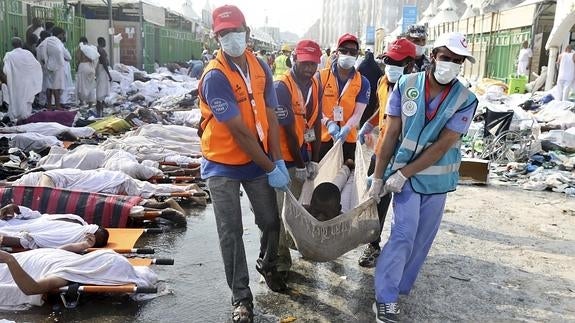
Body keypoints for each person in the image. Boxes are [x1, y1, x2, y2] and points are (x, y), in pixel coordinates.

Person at [368, 32, 478, 322]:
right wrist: (378, 177)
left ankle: (399, 287)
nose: (450, 65)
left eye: (457, 61)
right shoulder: (406, 85)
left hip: (435, 180)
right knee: (403, 233)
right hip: (405, 180)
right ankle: (385, 298)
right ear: (432, 57)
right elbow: (390, 133)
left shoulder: (466, 99)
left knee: (421, 240)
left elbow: (444, 144)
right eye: (446, 58)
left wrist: (404, 173)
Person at [197, 5, 290, 322]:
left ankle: (267, 261)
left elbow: (273, 118)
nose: (231, 38)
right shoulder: (215, 76)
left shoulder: (261, 66)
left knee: (270, 221)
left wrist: (278, 159)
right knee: (231, 231)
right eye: (224, 34)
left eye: (236, 31)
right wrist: (269, 167)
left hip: (259, 159)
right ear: (217, 37)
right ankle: (241, 298)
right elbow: (238, 132)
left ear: (247, 32)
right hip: (223, 163)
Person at [357, 38, 416, 268]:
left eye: (398, 62)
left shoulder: (417, 90)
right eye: (388, 60)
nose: (391, 66)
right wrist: (369, 124)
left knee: (405, 208)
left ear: (410, 65)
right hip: (382, 149)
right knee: (376, 196)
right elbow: (381, 111)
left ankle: (403, 253)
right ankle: (373, 244)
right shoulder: (383, 82)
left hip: (407, 155)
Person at [273, 39, 322, 278]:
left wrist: (315, 159)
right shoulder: (282, 86)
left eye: (313, 63)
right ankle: (281, 262)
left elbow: (316, 123)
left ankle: (293, 244)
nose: (309, 68)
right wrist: (301, 164)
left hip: (302, 155)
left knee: (295, 209)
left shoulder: (314, 84)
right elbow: (288, 131)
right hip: (283, 159)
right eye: (305, 63)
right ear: (294, 59)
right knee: (280, 213)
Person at [0, 248, 157, 308]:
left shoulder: (66, 274)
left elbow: (30, 289)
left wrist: (9, 259)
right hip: (31, 256)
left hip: (12, 263)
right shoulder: (74, 260)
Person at [317, 33, 371, 161]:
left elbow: (358, 113)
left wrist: (347, 127)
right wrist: (328, 122)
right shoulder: (321, 77)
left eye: (352, 52)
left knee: (346, 176)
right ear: (336, 52)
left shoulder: (363, 82)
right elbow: (314, 108)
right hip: (323, 137)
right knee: (321, 177)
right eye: (344, 50)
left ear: (357, 55)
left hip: (348, 138)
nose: (348, 54)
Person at [0, 204, 109, 253]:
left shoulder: (70, 238)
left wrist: (3, 239)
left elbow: (30, 240)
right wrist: (16, 208)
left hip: (8, 229)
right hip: (12, 219)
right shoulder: (77, 220)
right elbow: (40, 216)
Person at [2, 37, 42, 122]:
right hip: (27, 80)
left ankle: (15, 113)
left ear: (12, 45)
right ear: (21, 44)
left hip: (15, 81)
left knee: (16, 97)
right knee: (26, 97)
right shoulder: (28, 53)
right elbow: (36, 65)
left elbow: (5, 70)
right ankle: (25, 115)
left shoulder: (9, 55)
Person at [39, 27, 70, 111]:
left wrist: (45, 62)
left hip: (47, 65)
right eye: (63, 35)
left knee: (49, 87)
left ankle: (49, 105)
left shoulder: (46, 41)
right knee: (57, 87)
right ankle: (57, 105)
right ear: (59, 34)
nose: (63, 37)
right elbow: (68, 56)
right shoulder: (58, 42)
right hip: (58, 66)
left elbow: (40, 51)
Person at [357, 50, 383, 126]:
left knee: (362, 109)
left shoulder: (362, 65)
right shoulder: (376, 66)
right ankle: (367, 124)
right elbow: (381, 77)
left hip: (363, 92)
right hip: (373, 92)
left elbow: (356, 76)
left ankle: (362, 124)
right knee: (370, 109)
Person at [75, 37, 98, 109]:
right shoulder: (91, 48)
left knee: (82, 85)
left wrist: (77, 66)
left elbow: (78, 58)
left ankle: (82, 102)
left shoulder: (81, 48)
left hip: (83, 66)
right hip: (91, 67)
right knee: (91, 85)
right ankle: (90, 103)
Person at [96, 37, 112, 117]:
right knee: (101, 91)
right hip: (103, 70)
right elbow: (105, 63)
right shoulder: (101, 50)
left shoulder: (98, 49)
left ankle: (100, 111)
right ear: (102, 42)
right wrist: (109, 75)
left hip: (100, 70)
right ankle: (99, 112)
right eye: (105, 41)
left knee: (100, 90)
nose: (105, 43)